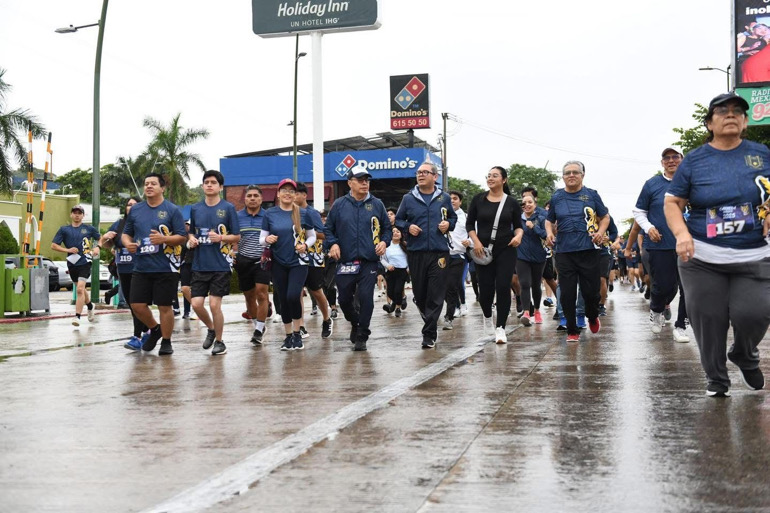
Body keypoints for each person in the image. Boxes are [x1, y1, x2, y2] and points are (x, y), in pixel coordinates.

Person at [664, 92, 770, 397]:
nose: (731, 115)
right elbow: (673, 202)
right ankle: (717, 379)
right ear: (710, 123)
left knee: (756, 313)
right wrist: (682, 234)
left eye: (738, 111)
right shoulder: (695, 161)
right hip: (702, 255)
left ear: (746, 121)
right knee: (709, 319)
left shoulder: (761, 154)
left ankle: (744, 354)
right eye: (722, 111)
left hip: (754, 252)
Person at [325, 168, 391, 351]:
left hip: (369, 261)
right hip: (345, 261)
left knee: (365, 296)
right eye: (360, 180)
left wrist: (384, 242)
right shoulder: (339, 205)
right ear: (349, 183)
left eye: (367, 180)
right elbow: (328, 229)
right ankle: (355, 323)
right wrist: (333, 244)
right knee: (344, 299)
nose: (365, 183)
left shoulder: (377, 204)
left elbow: (387, 228)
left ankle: (362, 334)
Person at [121, 173, 186, 355]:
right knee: (137, 304)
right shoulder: (136, 210)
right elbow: (126, 233)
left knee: (165, 306)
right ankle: (155, 329)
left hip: (166, 267)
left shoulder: (172, 210)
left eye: (153, 184)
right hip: (141, 266)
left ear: (162, 188)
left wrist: (164, 239)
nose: (148, 186)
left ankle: (166, 341)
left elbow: (182, 237)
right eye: (146, 183)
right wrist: (128, 243)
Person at [545, 161, 609, 342]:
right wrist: (549, 233)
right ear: (563, 176)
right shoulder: (557, 197)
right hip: (564, 251)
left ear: (582, 175)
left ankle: (592, 314)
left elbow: (604, 217)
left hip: (588, 249)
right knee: (567, 291)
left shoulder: (591, 195)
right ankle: (572, 330)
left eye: (575, 172)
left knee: (591, 292)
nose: (571, 175)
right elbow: (549, 221)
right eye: (567, 173)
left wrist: (600, 232)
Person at [395, 162, 456, 349]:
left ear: (435, 177)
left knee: (436, 294)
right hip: (416, 252)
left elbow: (452, 218)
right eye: (418, 172)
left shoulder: (444, 198)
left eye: (425, 172)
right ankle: (428, 317)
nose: (420, 175)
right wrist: (407, 227)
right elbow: (398, 219)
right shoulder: (408, 198)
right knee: (420, 294)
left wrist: (448, 225)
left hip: (439, 252)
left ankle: (429, 334)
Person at [633, 147, 690, 342]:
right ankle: (656, 310)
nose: (671, 160)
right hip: (661, 243)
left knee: (688, 288)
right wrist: (648, 228)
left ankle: (681, 326)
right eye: (667, 158)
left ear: (682, 160)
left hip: (689, 244)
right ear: (662, 162)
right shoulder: (652, 184)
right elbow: (639, 211)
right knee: (663, 286)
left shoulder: (693, 181)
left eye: (675, 157)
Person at [466, 166, 524, 343]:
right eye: (488, 175)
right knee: (485, 289)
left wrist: (519, 236)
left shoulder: (512, 202)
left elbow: (519, 226)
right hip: (482, 250)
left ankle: (500, 328)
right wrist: (476, 242)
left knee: (503, 286)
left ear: (504, 180)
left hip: (506, 249)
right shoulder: (478, 199)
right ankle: (487, 318)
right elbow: (469, 225)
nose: (490, 178)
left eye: (495, 176)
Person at [187, 170, 241, 356]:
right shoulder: (195, 208)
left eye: (213, 182)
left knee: (215, 305)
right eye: (206, 182)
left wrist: (221, 238)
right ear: (202, 186)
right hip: (200, 264)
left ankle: (220, 342)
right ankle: (211, 328)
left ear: (220, 187)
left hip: (220, 264)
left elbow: (237, 236)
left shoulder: (228, 208)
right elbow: (191, 231)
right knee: (195, 304)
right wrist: (191, 239)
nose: (209, 185)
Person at [260, 178, 316, 351]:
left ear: (295, 195)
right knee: (283, 299)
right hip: (278, 262)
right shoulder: (270, 214)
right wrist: (267, 239)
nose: (287, 193)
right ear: (278, 194)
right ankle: (288, 336)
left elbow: (312, 236)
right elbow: (262, 239)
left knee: (293, 296)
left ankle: (298, 333)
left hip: (298, 262)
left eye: (291, 191)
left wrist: (305, 246)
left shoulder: (303, 213)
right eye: (283, 190)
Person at [98, 197, 147, 349]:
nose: (131, 207)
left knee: (137, 304)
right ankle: (148, 330)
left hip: (140, 269)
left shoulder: (144, 222)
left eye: (135, 204)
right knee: (132, 305)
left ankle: (137, 336)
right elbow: (107, 244)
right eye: (128, 204)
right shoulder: (119, 224)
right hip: (123, 269)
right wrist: (105, 239)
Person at [294, 182, 333, 340]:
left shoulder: (312, 213)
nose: (293, 196)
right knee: (297, 292)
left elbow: (324, 235)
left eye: (297, 193)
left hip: (313, 258)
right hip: (296, 257)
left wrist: (307, 234)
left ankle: (326, 318)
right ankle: (301, 325)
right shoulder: (289, 212)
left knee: (316, 290)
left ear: (304, 195)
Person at [51, 204, 101, 327]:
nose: (77, 215)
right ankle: (90, 305)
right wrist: (67, 250)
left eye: (79, 213)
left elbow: (101, 238)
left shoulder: (89, 229)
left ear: (83, 215)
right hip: (72, 263)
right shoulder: (64, 229)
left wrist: (97, 248)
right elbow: (53, 245)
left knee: (79, 289)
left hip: (85, 261)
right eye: (75, 212)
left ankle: (77, 317)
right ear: (71, 214)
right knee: (81, 289)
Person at [235, 185, 271, 345]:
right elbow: (230, 237)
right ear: (245, 198)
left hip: (263, 260)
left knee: (261, 294)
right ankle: (258, 325)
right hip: (243, 260)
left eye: (256, 195)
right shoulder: (236, 217)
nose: (252, 198)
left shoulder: (268, 216)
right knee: (249, 296)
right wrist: (231, 253)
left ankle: (258, 330)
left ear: (261, 199)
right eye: (249, 195)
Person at [442, 190, 472, 330]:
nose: (452, 201)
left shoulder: (466, 217)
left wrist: (469, 241)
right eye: (450, 199)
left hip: (457, 255)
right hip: (440, 255)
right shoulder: (440, 214)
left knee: (453, 284)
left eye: (455, 199)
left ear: (460, 201)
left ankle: (449, 315)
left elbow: (474, 233)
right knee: (442, 286)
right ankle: (455, 306)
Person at [516, 193, 547, 326]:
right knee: (524, 283)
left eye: (530, 202)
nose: (527, 205)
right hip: (521, 256)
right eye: (524, 203)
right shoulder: (517, 220)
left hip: (539, 256)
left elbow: (546, 235)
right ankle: (526, 312)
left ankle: (537, 310)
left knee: (535, 285)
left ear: (535, 205)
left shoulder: (540, 218)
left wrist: (534, 227)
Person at [381, 226, 409, 318]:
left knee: (398, 290)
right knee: (390, 292)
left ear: (401, 234)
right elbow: (382, 259)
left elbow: (410, 259)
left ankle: (397, 308)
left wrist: (408, 268)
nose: (396, 233)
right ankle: (395, 302)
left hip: (402, 271)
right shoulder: (387, 246)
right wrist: (388, 266)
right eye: (393, 231)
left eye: (398, 231)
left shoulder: (405, 245)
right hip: (390, 271)